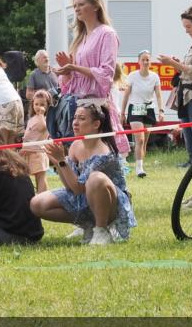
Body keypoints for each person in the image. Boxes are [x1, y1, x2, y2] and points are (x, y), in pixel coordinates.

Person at [30, 102, 136, 245]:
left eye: (81, 118)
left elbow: (78, 188)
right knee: (37, 203)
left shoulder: (104, 152)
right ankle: (88, 225)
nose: (75, 123)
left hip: (110, 204)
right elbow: (70, 186)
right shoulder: (75, 145)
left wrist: (62, 161)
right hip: (84, 197)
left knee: (95, 179)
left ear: (96, 124)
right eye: (75, 118)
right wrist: (57, 162)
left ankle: (101, 230)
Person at [54, 0, 130, 156]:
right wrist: (66, 70)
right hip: (80, 105)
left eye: (81, 4)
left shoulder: (107, 33)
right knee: (83, 157)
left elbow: (106, 73)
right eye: (75, 6)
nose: (77, 9)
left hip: (98, 106)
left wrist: (74, 68)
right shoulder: (81, 38)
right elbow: (70, 86)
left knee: (102, 156)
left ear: (95, 7)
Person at [158, 6, 192, 205]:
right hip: (185, 99)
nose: (186, 30)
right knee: (191, 149)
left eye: (188, 26)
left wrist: (174, 64)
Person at [121, 50, 164, 178]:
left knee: (144, 141)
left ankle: (140, 165)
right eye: (143, 59)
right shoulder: (133, 76)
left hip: (149, 108)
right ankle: (139, 169)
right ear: (138, 61)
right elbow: (126, 95)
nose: (145, 62)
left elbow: (158, 95)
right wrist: (122, 113)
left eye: (147, 60)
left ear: (150, 62)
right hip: (135, 108)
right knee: (139, 139)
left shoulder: (155, 76)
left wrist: (161, 111)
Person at [21, 90, 52, 193]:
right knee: (26, 177)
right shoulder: (32, 118)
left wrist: (41, 114)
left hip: (38, 153)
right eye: (36, 104)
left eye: (42, 104)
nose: (39, 107)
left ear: (48, 105)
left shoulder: (45, 118)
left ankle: (43, 197)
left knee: (40, 177)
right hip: (28, 152)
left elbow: (42, 127)